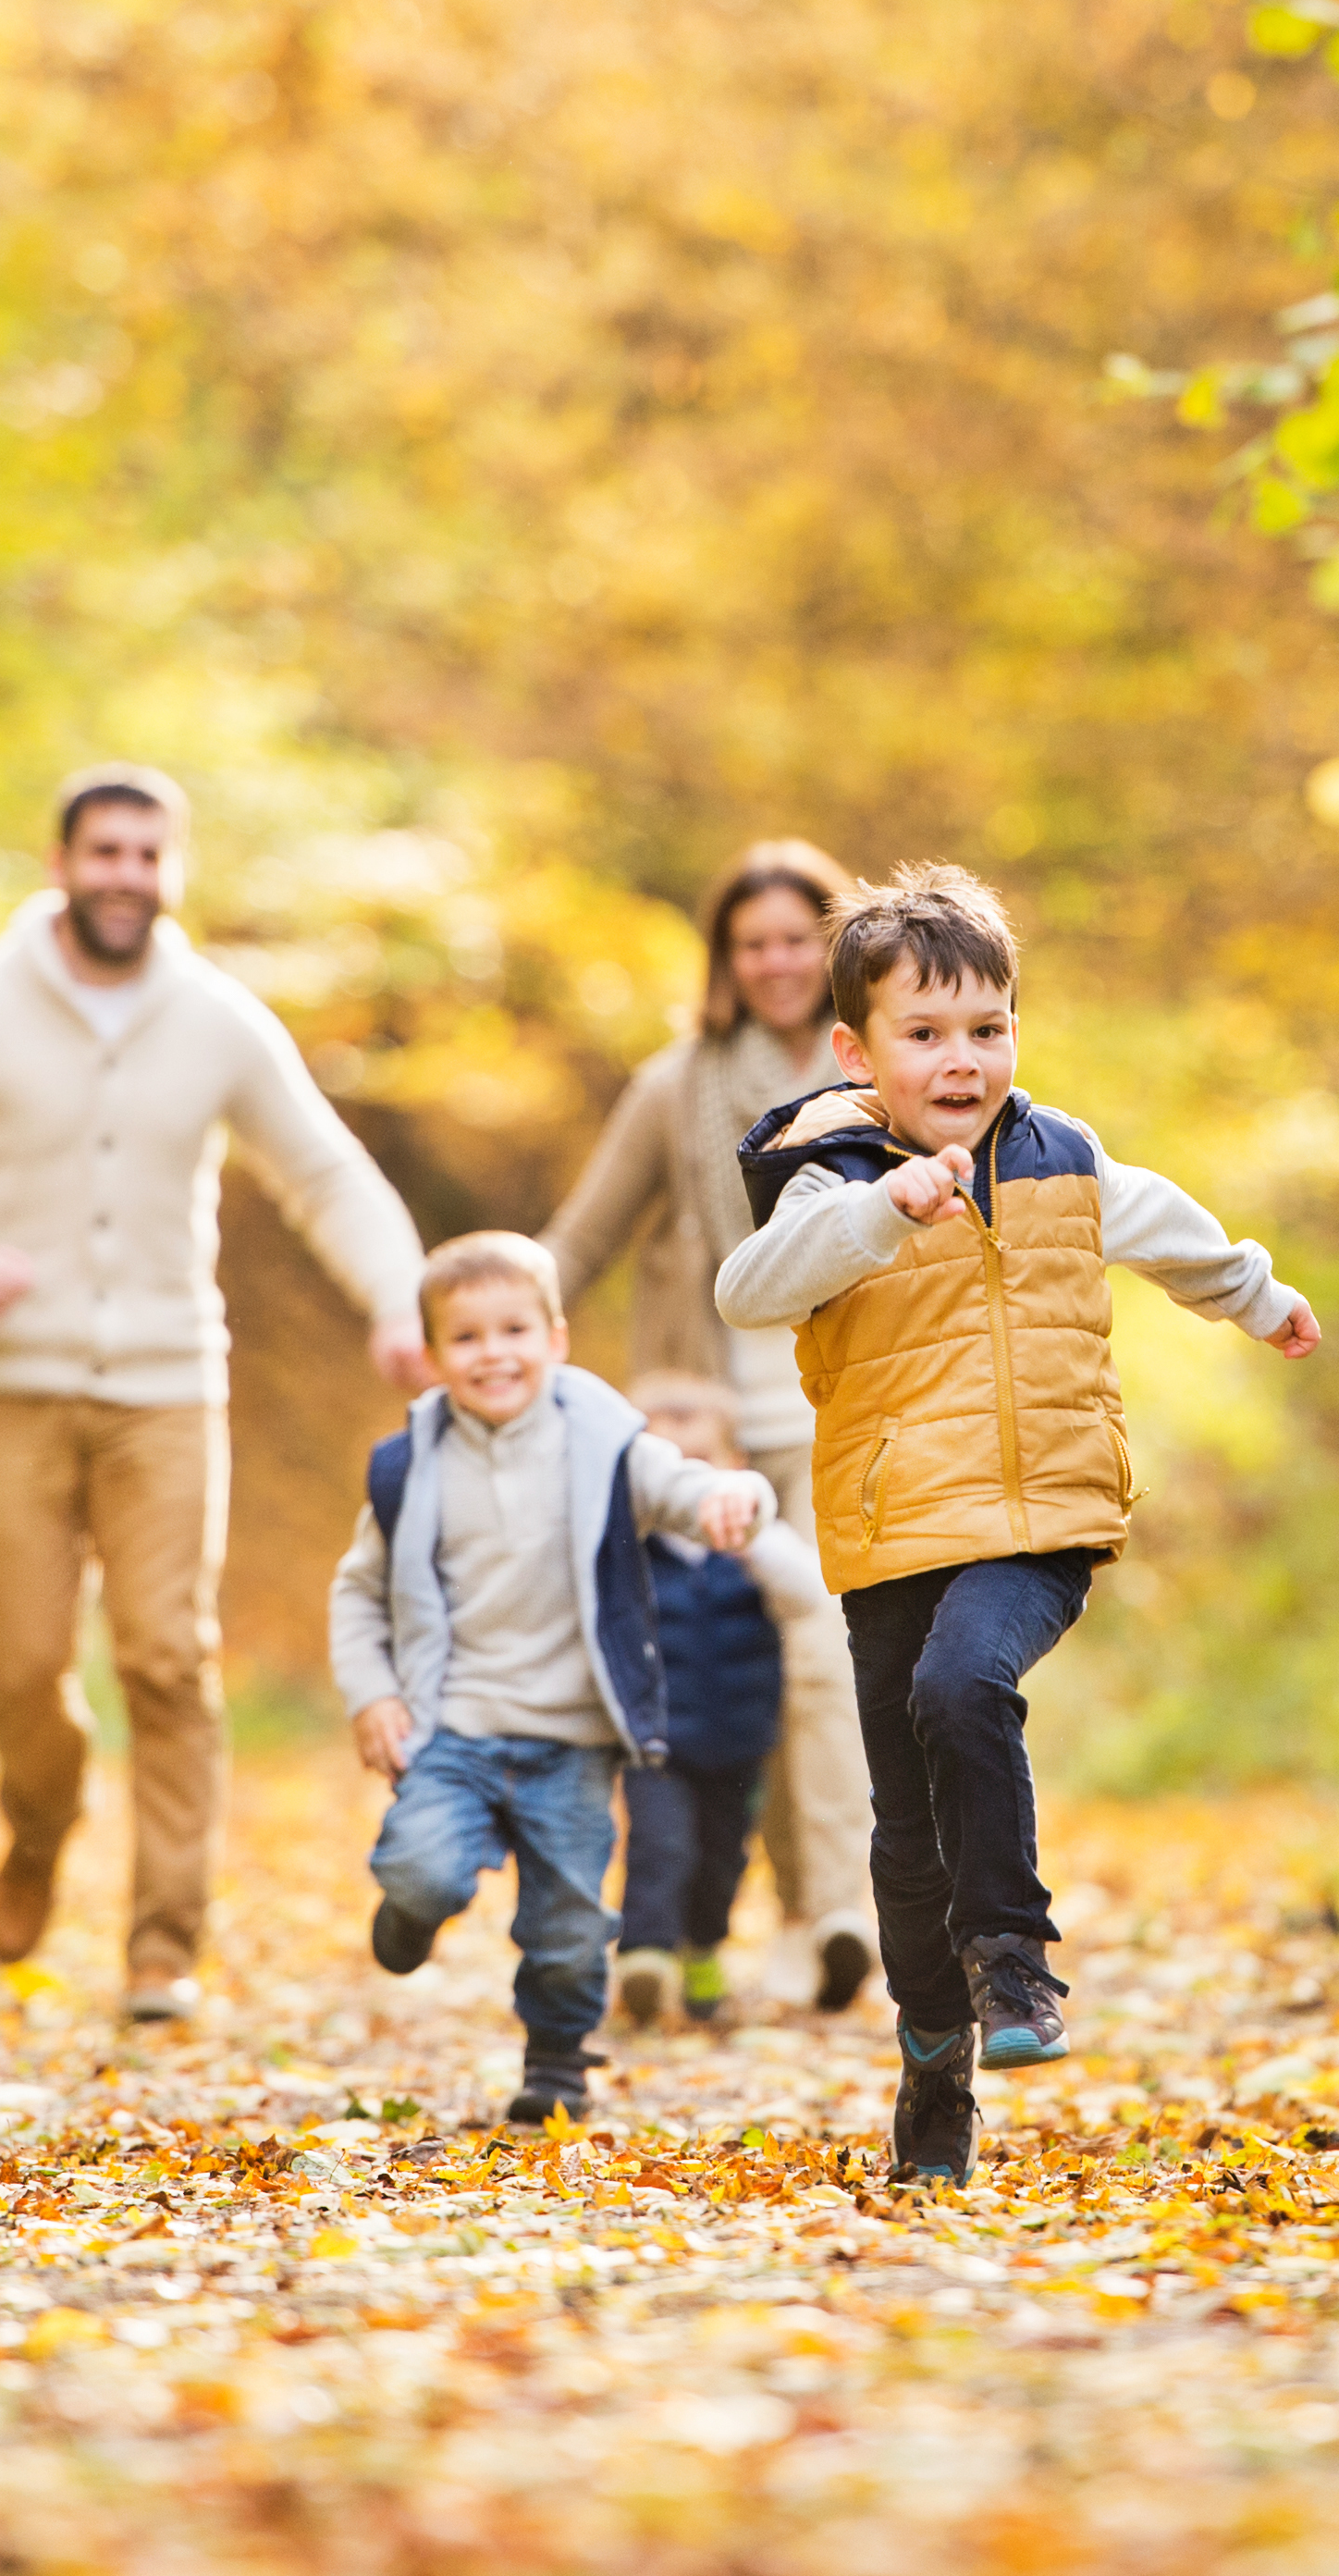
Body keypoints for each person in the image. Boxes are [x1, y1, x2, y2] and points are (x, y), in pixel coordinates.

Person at [714, 864, 1320, 2188]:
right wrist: (883, 1210)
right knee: (901, 1830)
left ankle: (1015, 1968)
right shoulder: (834, 1176)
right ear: (856, 1051)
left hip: (1041, 1516)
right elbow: (750, 1289)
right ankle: (936, 2048)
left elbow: (1171, 1230)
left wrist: (1258, 1296)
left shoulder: (1063, 1158)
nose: (961, 1059)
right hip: (892, 1533)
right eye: (924, 1035)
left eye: (986, 1029)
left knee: (964, 1683)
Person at [0, 764, 432, 2025]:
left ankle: (164, 1946)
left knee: (168, 1656)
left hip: (169, 1387)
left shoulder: (218, 1019)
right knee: (20, 1663)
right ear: (59, 864)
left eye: (148, 856)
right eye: (103, 852)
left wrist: (398, 1302)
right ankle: (41, 1821)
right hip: (8, 1387)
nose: (125, 875)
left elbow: (324, 1174)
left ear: (176, 873)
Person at [542, 840, 881, 2010]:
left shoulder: (885, 1079)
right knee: (707, 1679)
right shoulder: (676, 1086)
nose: (778, 961)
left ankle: (834, 1910)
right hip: (704, 1432)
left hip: (840, 1411)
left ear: (835, 946)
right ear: (725, 961)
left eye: (798, 937)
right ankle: (695, 1921)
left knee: (824, 1661)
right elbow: (578, 1238)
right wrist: (488, 1327)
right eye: (754, 943)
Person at [330, 1234, 772, 2128]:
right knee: (420, 1871)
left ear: (556, 1339)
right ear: (430, 1356)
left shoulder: (605, 1447)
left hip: (570, 1738)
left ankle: (558, 2061)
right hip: (452, 1726)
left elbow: (687, 1486)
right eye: (467, 1338)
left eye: (514, 1330)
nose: (493, 1353)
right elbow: (358, 1592)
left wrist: (738, 1502)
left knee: (568, 1924)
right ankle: (411, 1914)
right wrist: (372, 1694)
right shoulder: (409, 1468)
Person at [610, 1371, 828, 2030]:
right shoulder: (630, 1550)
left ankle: (703, 1948)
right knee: (660, 1845)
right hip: (655, 1739)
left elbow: (808, 1596)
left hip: (739, 1737)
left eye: (700, 1465)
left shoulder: (757, 1550)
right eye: (666, 1468)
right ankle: (644, 1954)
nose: (686, 1488)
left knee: (723, 1859)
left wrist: (749, 1532)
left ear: (735, 1468)